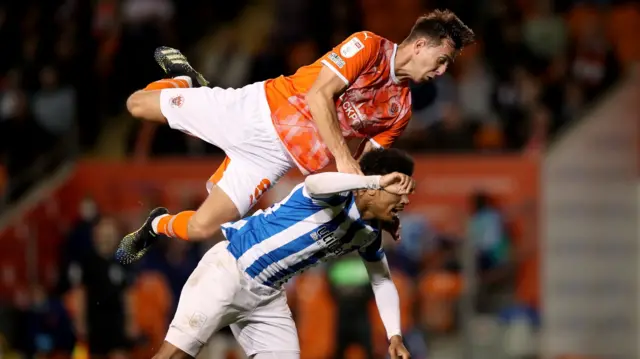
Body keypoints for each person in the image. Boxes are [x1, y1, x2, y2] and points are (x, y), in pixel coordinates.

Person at [117, 10, 474, 264]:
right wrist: (344, 157)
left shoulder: (401, 109)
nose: (441, 72)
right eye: (441, 59)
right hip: (256, 112)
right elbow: (319, 96)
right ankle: (185, 81)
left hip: (273, 159)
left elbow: (366, 172)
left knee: (201, 226)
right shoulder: (368, 47)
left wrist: (381, 211)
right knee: (135, 105)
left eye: (447, 66)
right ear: (421, 45)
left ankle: (154, 224)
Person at [142, 148, 415, 359]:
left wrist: (394, 335)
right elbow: (314, 183)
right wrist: (375, 179)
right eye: (399, 190)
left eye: (408, 192)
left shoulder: (368, 233)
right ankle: (157, 224)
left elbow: (381, 280)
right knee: (175, 355)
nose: (405, 200)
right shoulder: (333, 195)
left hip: (267, 296)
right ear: (371, 187)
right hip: (229, 270)